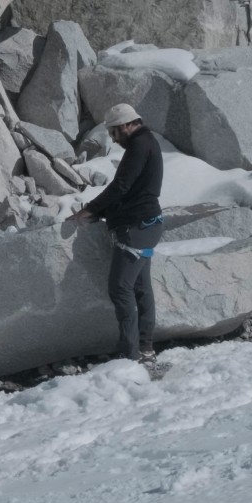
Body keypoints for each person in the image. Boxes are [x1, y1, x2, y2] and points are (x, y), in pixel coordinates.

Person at [70, 102, 163, 362]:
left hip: (137, 228)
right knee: (141, 288)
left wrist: (89, 210)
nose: (113, 138)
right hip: (146, 224)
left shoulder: (139, 145)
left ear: (124, 125)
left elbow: (121, 186)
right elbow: (131, 190)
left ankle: (130, 355)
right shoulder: (147, 143)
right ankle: (145, 349)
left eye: (113, 132)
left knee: (120, 288)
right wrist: (102, 213)